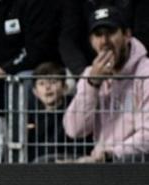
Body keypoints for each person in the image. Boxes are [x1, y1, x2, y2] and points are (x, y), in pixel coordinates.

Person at [64, 6, 149, 162]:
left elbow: (148, 136)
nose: (104, 42)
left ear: (127, 35)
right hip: (102, 164)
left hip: (137, 165)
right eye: (98, 35)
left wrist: (111, 154)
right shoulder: (91, 74)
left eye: (111, 33)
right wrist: (92, 84)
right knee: (45, 163)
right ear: (91, 41)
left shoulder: (145, 73)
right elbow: (74, 129)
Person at [26, 61, 89, 162]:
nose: (47, 87)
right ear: (35, 92)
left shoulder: (74, 109)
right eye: (41, 84)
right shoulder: (31, 115)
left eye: (53, 82)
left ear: (65, 87)